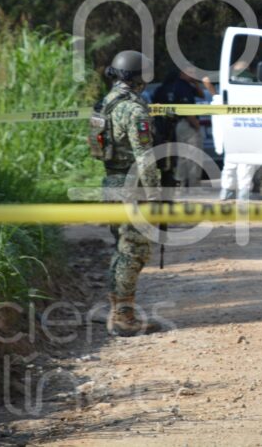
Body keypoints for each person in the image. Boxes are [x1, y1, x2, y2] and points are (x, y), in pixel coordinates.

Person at [89, 50, 162, 337]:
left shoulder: (104, 104)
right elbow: (144, 156)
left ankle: (115, 309)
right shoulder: (133, 109)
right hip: (133, 187)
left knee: (121, 248)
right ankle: (123, 316)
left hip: (111, 182)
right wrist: (155, 193)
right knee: (134, 251)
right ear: (138, 78)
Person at [201, 64, 258, 200]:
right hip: (246, 121)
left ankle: (227, 190)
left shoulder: (226, 74)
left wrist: (217, 97)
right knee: (247, 156)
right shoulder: (252, 77)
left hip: (229, 120)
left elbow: (205, 79)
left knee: (231, 156)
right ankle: (244, 191)